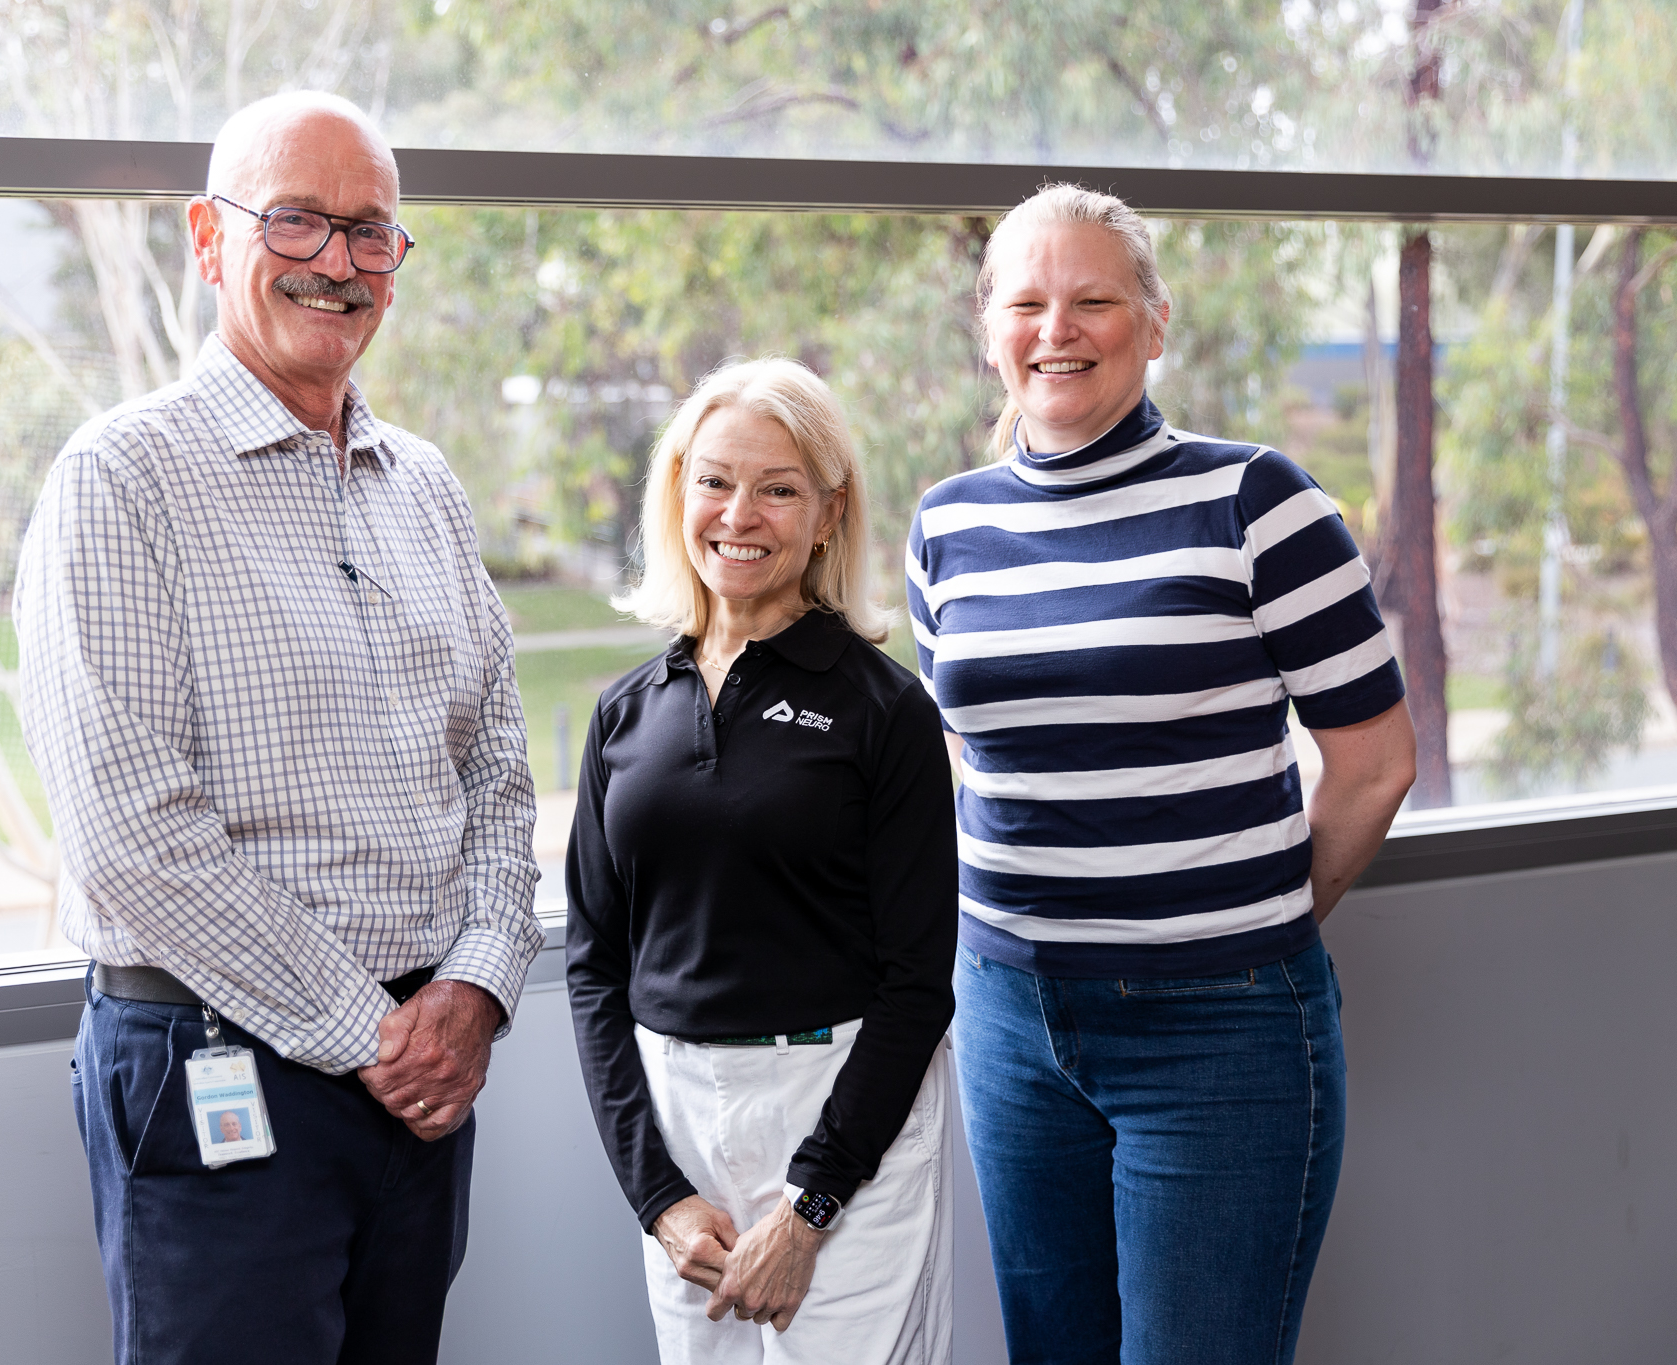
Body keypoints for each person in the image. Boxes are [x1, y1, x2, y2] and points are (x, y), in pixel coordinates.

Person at [14, 91, 543, 1365]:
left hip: (421, 1087)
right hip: (219, 1067)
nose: (337, 262)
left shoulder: (422, 487)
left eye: (371, 233)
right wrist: (380, 1038)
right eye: (294, 220)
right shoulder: (120, 477)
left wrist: (475, 987)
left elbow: (500, 777)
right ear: (207, 237)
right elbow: (131, 836)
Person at [906, 185, 1417, 1365]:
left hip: (1220, 1030)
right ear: (988, 329)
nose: (1056, 330)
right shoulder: (949, 527)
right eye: (1025, 303)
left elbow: (1375, 763)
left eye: (1092, 300)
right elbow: (964, 763)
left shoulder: (1255, 502)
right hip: (1008, 1022)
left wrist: (1247, 929)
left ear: (1153, 320)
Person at [566, 358, 960, 1364]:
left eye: (777, 488)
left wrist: (809, 1204)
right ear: (676, 492)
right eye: (713, 480)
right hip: (677, 1120)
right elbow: (594, 969)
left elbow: (918, 985)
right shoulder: (623, 714)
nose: (738, 513)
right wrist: (656, 1195)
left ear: (827, 514)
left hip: (839, 1121)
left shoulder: (884, 712)